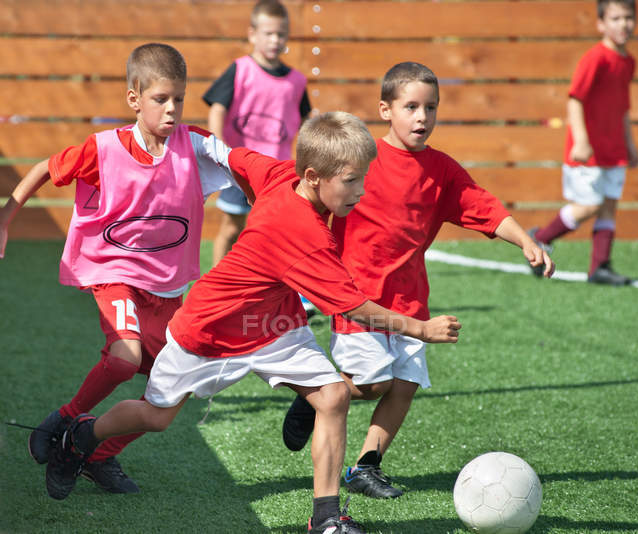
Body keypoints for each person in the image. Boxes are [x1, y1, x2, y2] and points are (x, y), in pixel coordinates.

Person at [44, 112, 462, 534]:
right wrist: (421, 329)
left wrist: (249, 191)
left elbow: (239, 160)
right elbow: (353, 307)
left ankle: (326, 519)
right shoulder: (304, 236)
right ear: (315, 176)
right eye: (352, 180)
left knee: (333, 397)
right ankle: (80, 437)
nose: (362, 190)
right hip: (211, 330)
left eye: (363, 177)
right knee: (156, 417)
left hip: (275, 327)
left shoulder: (283, 174)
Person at [282, 62, 555, 500]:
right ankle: (315, 397)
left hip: (411, 300)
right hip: (357, 298)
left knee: (404, 385)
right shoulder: (360, 160)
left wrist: (525, 239)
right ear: (385, 110)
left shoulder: (441, 170)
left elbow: (483, 206)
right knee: (372, 385)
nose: (422, 117)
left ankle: (366, 466)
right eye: (411, 106)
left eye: (431, 107)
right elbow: (308, 191)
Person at [0, 43, 234, 494]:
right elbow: (47, 167)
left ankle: (95, 454)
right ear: (134, 99)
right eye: (160, 99)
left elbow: (246, 168)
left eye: (178, 99)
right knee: (125, 358)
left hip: (165, 290)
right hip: (114, 273)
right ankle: (64, 420)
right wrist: (6, 216)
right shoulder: (104, 148)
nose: (171, 110)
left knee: (175, 387)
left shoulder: (197, 145)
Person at [529, 0, 638, 286]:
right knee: (589, 205)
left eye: (628, 18)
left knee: (608, 206)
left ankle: (600, 266)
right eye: (615, 18)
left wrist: (630, 144)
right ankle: (540, 238)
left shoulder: (628, 61)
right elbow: (575, 98)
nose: (623, 24)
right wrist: (581, 140)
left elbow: (623, 108)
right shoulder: (596, 58)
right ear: (601, 24)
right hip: (588, 151)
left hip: (614, 151)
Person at [203, 0, 311, 267]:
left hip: (276, 172)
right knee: (231, 228)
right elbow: (217, 109)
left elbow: (309, 121)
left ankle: (288, 292)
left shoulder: (296, 81)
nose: (275, 40)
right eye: (268, 33)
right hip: (239, 170)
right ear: (252, 34)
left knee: (278, 233)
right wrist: (221, 151)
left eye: (281, 34)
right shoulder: (240, 69)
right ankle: (217, 285)